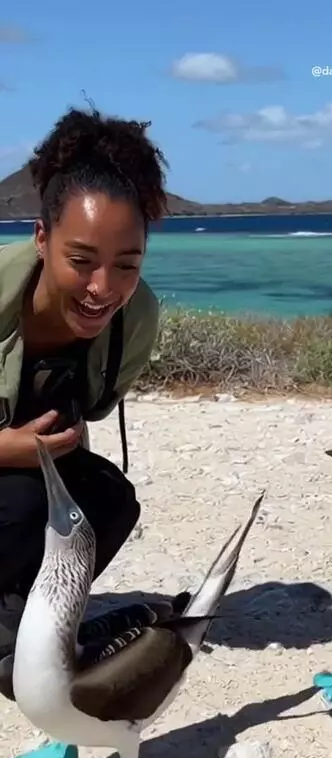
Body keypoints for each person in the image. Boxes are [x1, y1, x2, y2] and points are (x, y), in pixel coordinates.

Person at [0, 104, 168, 646]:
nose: (103, 288)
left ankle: (24, 620)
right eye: (82, 260)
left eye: (126, 264)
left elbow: (94, 407)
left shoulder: (136, 318)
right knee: (23, 503)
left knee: (106, 502)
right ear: (42, 238)